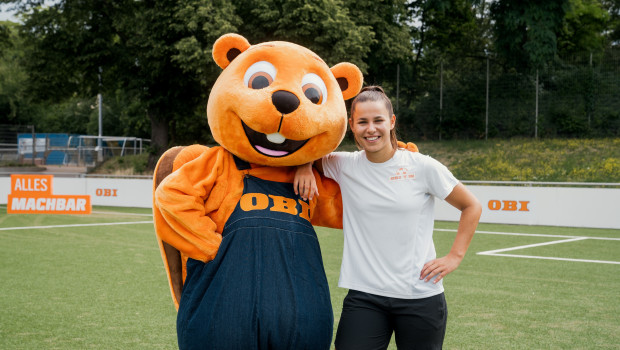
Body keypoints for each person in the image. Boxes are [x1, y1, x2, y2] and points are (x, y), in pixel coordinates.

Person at [294, 86, 482, 350]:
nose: (371, 129)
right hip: (365, 297)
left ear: (391, 122)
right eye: (362, 122)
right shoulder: (343, 164)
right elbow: (306, 151)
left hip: (420, 296)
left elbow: (471, 205)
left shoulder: (422, 166)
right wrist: (304, 165)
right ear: (352, 126)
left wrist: (455, 257)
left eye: (378, 120)